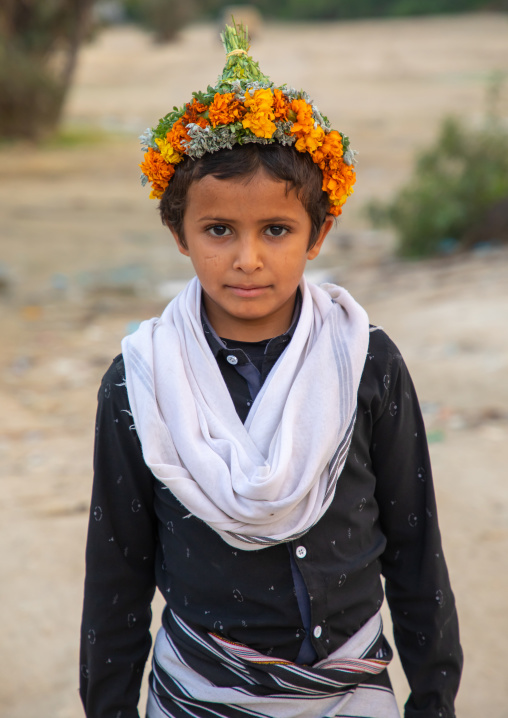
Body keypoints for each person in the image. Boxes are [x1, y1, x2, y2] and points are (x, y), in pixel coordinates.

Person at [80, 22, 462, 718]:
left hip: (352, 687)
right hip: (201, 691)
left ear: (318, 234)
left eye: (276, 231)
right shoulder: (142, 381)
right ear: (179, 235)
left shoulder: (365, 361)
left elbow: (413, 545)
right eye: (219, 230)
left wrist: (434, 698)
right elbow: (118, 571)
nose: (247, 258)